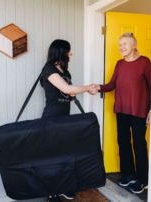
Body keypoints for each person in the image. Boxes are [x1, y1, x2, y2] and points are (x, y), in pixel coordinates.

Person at [92, 32, 151, 194]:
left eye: (125, 44)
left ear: (134, 45)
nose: (121, 47)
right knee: (123, 142)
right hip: (122, 110)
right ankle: (128, 174)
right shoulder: (120, 64)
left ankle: (143, 179)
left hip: (139, 110)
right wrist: (97, 87)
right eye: (120, 44)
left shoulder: (144, 62)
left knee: (139, 144)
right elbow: (111, 85)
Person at [40, 39, 95, 201]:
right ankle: (51, 192)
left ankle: (63, 187)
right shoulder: (49, 69)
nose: (71, 54)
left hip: (65, 118)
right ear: (61, 52)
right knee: (53, 156)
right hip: (52, 118)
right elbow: (66, 89)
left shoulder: (65, 71)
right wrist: (87, 87)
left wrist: (83, 90)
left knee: (65, 153)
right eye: (68, 51)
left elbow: (70, 93)